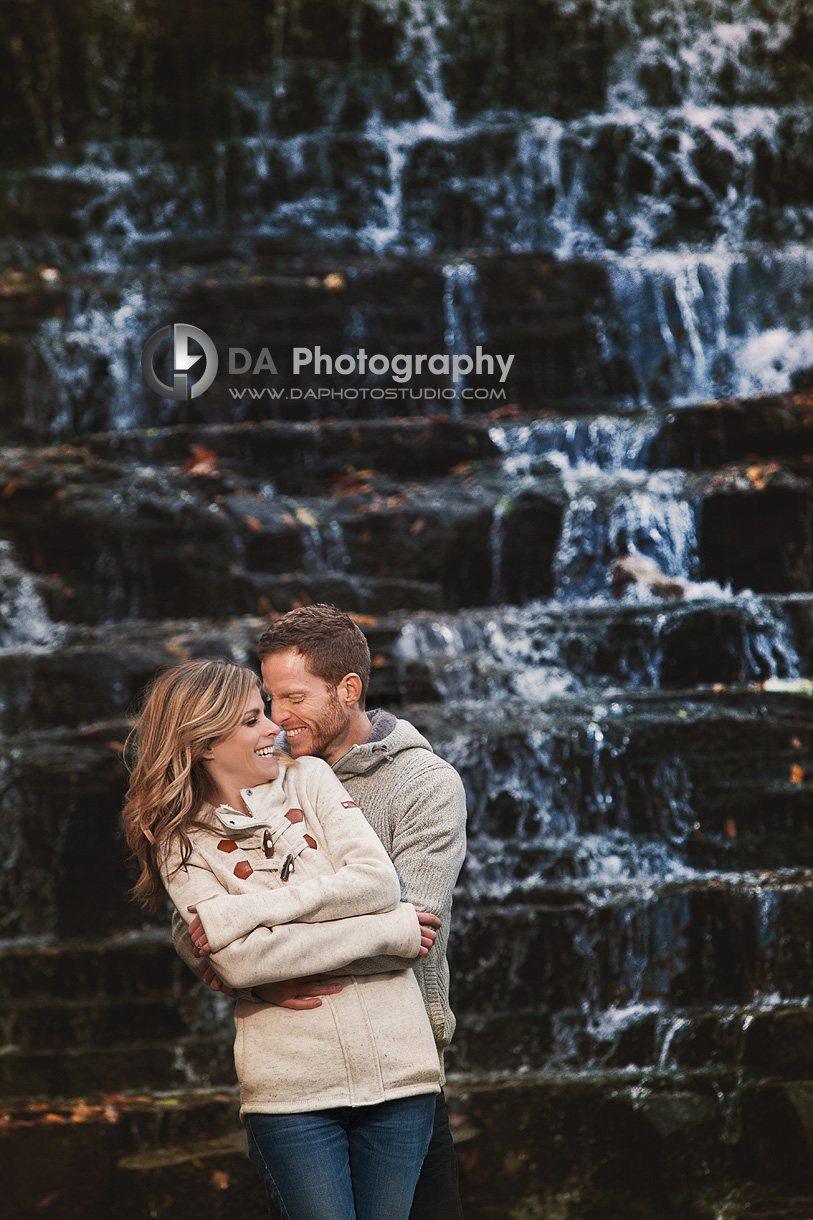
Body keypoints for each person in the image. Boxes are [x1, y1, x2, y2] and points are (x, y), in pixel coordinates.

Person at [124, 658, 445, 1220]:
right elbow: (243, 963)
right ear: (203, 741)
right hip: (290, 1091)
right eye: (252, 720)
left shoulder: (311, 779)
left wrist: (242, 913)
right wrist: (389, 931)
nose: (275, 726)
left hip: (400, 1070)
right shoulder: (176, 840)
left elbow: (374, 882)